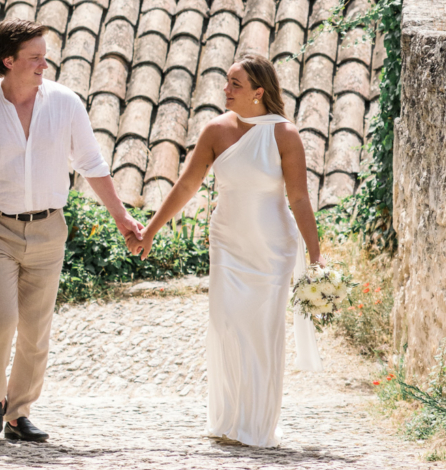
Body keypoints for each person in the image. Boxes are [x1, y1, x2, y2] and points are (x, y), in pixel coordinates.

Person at [0, 18, 144, 442]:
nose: (44, 64)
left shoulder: (66, 103)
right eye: (35, 57)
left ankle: (18, 415)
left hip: (49, 228)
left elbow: (92, 164)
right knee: (2, 319)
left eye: (44, 56)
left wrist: (122, 217)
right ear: (9, 61)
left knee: (36, 328)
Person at [136, 51, 323, 447]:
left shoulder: (284, 135)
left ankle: (256, 426)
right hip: (227, 243)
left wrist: (316, 255)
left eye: (235, 84)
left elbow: (300, 198)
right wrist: (151, 230)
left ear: (258, 92)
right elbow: (186, 186)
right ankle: (227, 419)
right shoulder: (215, 131)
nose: (225, 89)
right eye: (226, 82)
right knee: (227, 326)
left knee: (261, 331)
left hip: (271, 248)